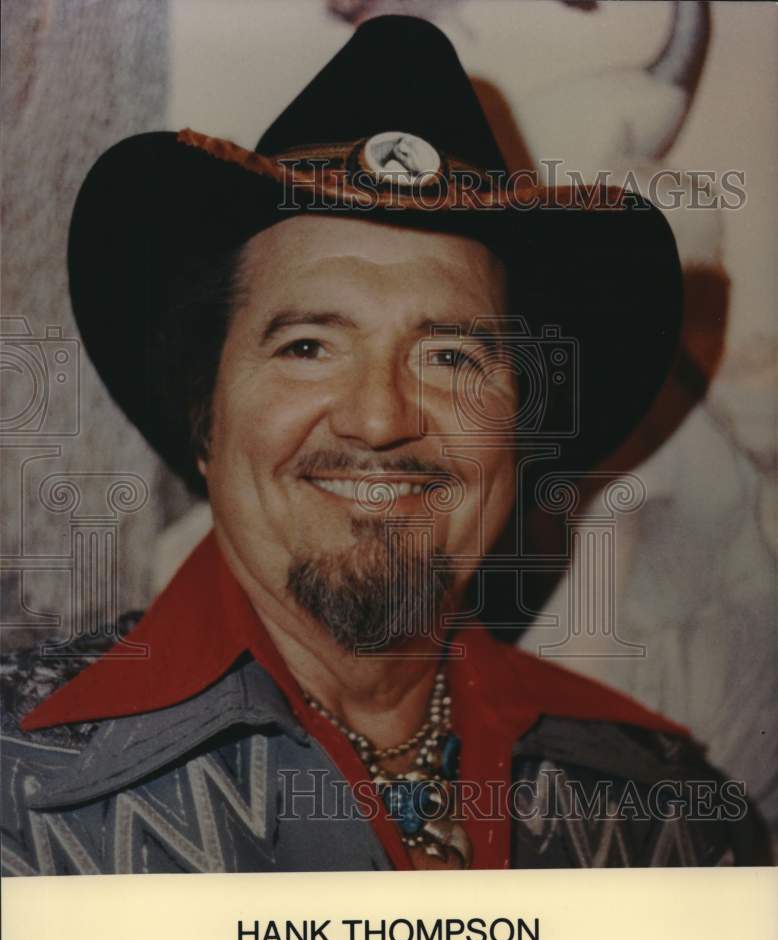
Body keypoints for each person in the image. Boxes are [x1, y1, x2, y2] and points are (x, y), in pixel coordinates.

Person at [0, 15, 764, 875]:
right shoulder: (18, 787)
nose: (377, 419)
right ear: (206, 424)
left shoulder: (666, 820)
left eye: (450, 356)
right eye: (308, 347)